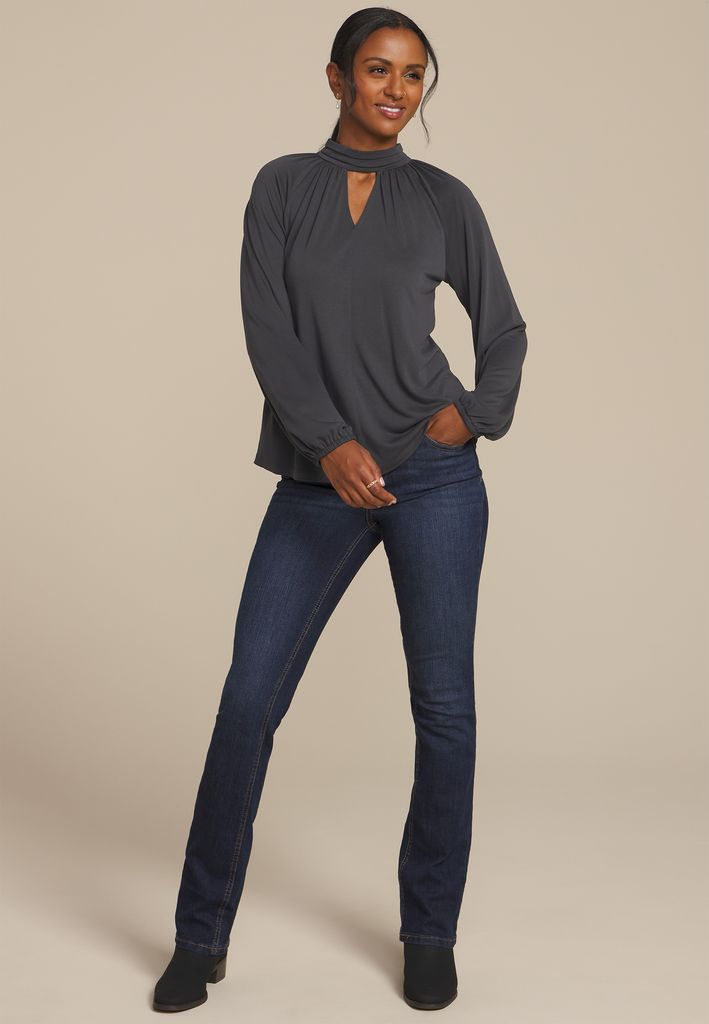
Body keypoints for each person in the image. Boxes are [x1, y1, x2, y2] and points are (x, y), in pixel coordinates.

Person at [153, 7, 527, 1013]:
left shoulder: (444, 199)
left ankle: (429, 932)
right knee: (248, 701)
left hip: (434, 479)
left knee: (444, 710)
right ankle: (199, 938)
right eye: (376, 69)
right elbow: (268, 331)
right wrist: (328, 442)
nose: (396, 89)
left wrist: (471, 416)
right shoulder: (282, 186)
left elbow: (503, 328)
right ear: (336, 79)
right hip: (319, 483)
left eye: (412, 73)